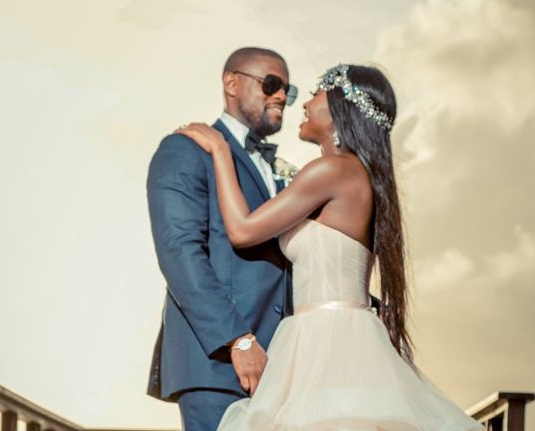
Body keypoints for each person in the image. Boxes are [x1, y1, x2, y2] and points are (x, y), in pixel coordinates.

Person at [176, 64, 484, 430]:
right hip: (344, 335)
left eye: (317, 92)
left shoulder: (332, 171)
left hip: (325, 340)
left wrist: (220, 150)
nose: (304, 103)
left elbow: (243, 231)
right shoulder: (358, 173)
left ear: (340, 108)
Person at [146, 47, 299, 431]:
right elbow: (179, 253)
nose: (281, 96)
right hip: (219, 365)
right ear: (231, 83)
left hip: (286, 368)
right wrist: (239, 340)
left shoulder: (282, 172)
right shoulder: (185, 150)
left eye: (287, 90)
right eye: (271, 84)